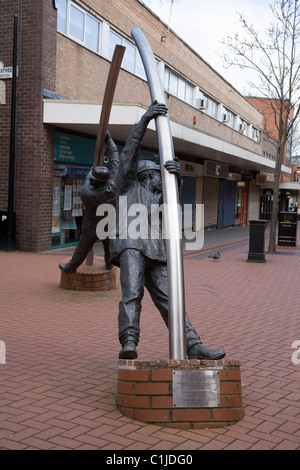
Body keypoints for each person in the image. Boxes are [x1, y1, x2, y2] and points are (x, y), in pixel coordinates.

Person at [107, 100, 226, 361]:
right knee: (132, 293)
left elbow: (166, 208)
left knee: (172, 301)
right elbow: (129, 154)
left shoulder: (157, 196)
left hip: (156, 253)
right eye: (157, 177)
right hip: (132, 246)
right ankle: (129, 340)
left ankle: (193, 346)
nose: (161, 182)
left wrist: (178, 181)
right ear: (146, 176)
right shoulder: (129, 187)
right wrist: (145, 120)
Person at [59, 131, 119, 273]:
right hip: (109, 223)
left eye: (93, 178)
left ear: (96, 181)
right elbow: (115, 160)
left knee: (82, 247)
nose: (91, 178)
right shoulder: (114, 186)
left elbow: (87, 181)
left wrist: (90, 171)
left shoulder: (87, 193)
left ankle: (71, 267)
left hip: (92, 225)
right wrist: (109, 140)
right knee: (108, 245)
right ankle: (109, 264)